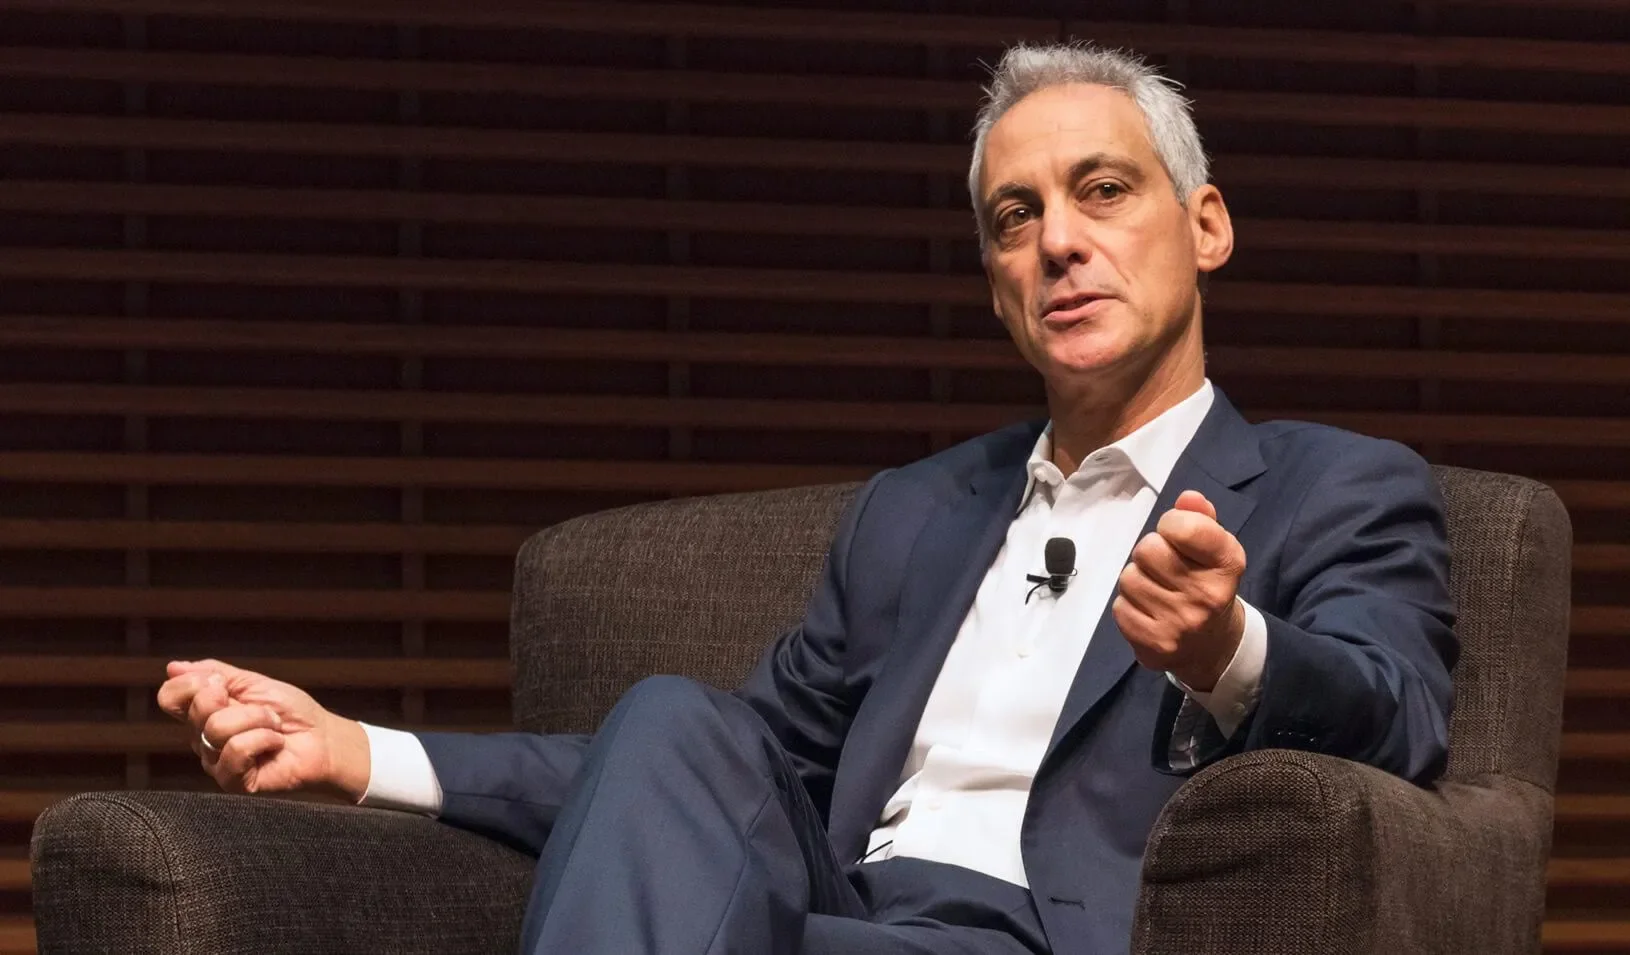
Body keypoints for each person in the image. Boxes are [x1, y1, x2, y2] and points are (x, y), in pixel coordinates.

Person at [155, 42, 1457, 955]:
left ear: (1206, 224)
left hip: (1029, 932)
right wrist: (362, 751)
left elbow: (1399, 717)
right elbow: (699, 774)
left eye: (1101, 191)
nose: (1057, 240)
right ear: (995, 283)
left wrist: (1228, 647)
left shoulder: (1334, 484)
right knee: (672, 717)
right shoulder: (917, 511)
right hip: (819, 911)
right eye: (1013, 218)